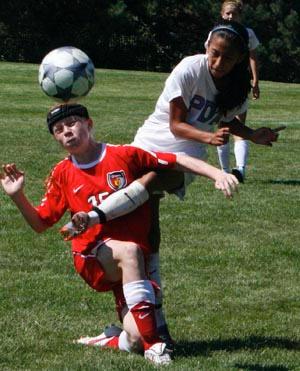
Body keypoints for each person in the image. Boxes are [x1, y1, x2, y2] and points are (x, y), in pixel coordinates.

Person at [64, 20, 284, 347]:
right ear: (206, 47)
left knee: (152, 186)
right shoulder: (189, 68)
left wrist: (251, 134)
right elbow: (177, 124)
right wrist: (210, 136)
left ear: (240, 59)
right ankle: (146, 325)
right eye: (214, 54)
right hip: (153, 142)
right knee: (142, 232)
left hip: (188, 156)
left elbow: (222, 118)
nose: (218, 63)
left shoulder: (236, 86)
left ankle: (93, 217)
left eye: (227, 58)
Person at [0, 103, 239, 366]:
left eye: (71, 124)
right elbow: (40, 223)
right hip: (92, 255)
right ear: (56, 139)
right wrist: (17, 196)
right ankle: (156, 347)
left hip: (130, 263)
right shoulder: (62, 173)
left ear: (89, 125)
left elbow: (176, 159)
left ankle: (113, 339)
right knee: (129, 251)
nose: (66, 132)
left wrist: (217, 173)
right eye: (58, 130)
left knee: (134, 337)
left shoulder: (124, 155)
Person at [205, 0, 261, 181]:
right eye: (228, 13)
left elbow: (253, 57)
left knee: (239, 125)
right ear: (222, 14)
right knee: (224, 126)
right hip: (221, 84)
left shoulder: (248, 34)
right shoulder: (216, 33)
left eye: (234, 14)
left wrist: (255, 80)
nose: (231, 17)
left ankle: (241, 169)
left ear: (240, 16)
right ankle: (224, 170)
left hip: (238, 85)